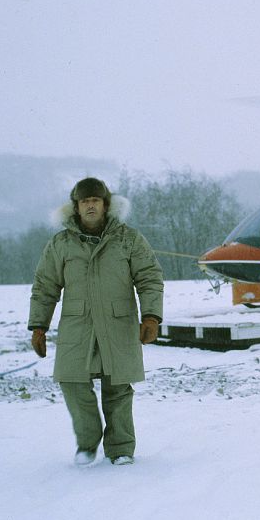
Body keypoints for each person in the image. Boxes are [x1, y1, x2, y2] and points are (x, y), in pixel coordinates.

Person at [28, 177, 164, 467]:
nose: (90, 206)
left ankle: (120, 448)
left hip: (118, 323)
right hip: (78, 326)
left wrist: (151, 316)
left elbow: (150, 278)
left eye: (95, 201)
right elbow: (45, 286)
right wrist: (39, 326)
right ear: (76, 208)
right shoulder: (60, 244)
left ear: (105, 204)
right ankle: (88, 441)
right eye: (84, 201)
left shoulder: (129, 239)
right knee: (71, 381)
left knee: (118, 387)